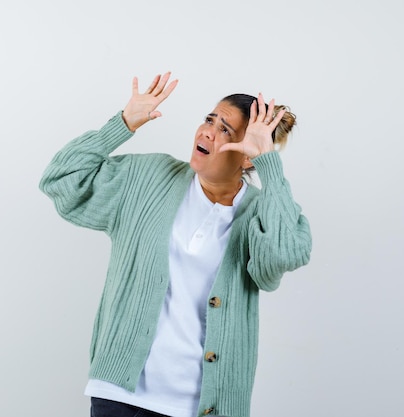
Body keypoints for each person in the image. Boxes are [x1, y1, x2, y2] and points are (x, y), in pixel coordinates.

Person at [39, 72, 312, 417]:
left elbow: (285, 253)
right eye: (208, 119)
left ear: (247, 155)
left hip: (199, 406)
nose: (207, 131)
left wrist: (269, 163)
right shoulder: (150, 178)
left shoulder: (261, 210)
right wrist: (122, 124)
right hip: (119, 396)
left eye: (225, 130)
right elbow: (61, 180)